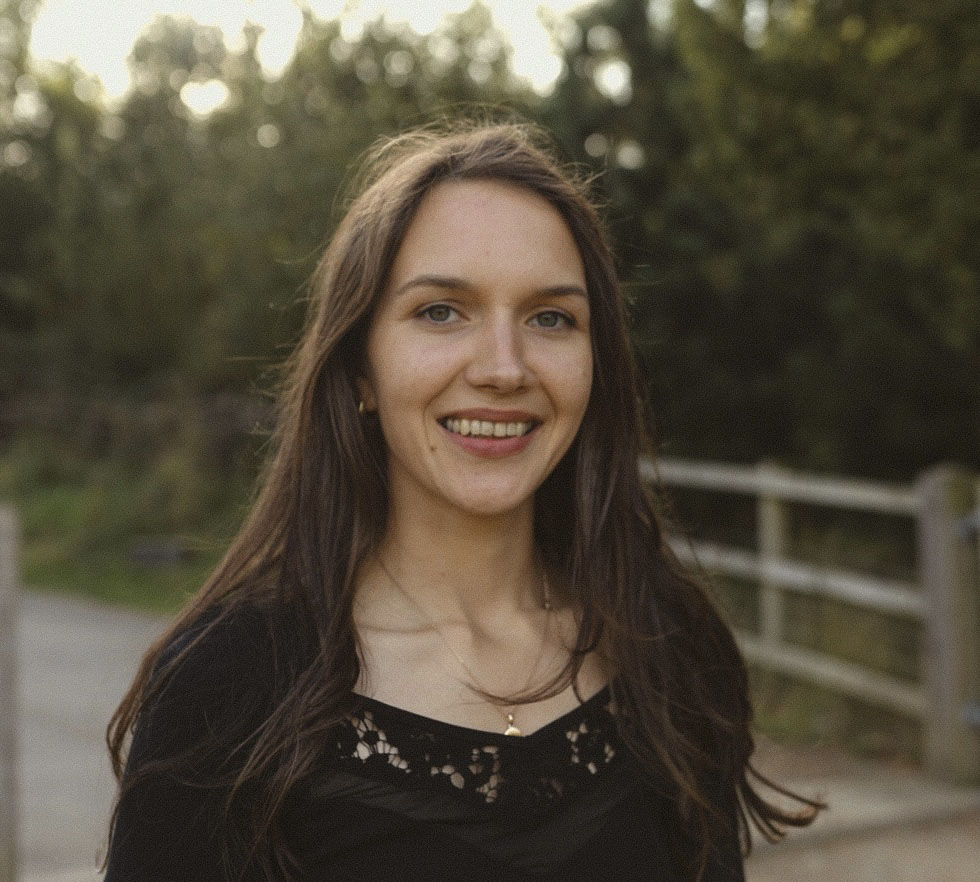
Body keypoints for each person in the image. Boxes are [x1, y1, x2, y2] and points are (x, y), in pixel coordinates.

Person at [104, 119, 819, 882]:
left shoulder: (670, 646)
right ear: (360, 372)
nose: (505, 368)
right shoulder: (225, 689)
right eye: (441, 311)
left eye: (551, 317)